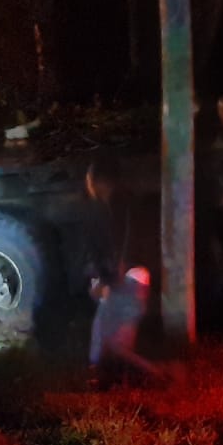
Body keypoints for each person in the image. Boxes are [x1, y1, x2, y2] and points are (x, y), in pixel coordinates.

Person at [83, 152, 154, 387]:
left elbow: (124, 241)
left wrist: (112, 275)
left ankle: (160, 376)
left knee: (112, 342)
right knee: (107, 335)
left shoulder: (119, 205)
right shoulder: (115, 204)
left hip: (127, 278)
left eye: (90, 178)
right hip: (124, 278)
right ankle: (102, 377)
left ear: (98, 180)